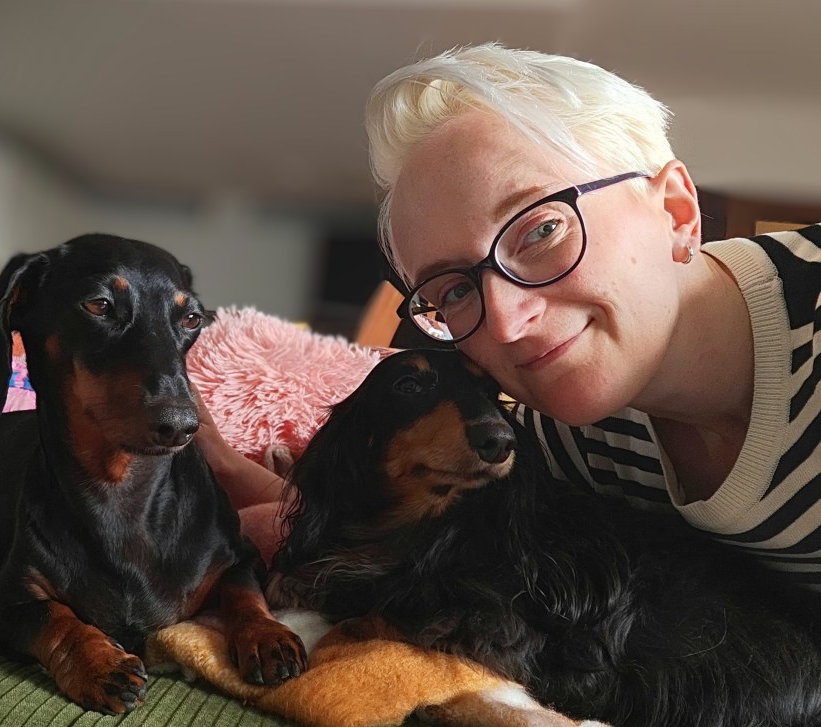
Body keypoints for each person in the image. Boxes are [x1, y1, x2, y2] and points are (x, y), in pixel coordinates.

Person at [200, 43, 821, 590]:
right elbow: (367, 537)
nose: (506, 323)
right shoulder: (560, 436)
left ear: (677, 212)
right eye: (454, 292)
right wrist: (228, 468)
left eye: (541, 230)